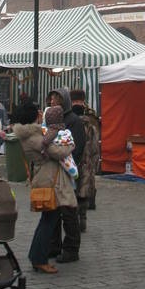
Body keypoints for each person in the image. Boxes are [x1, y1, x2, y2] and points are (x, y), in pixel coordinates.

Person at [13, 100, 77, 274]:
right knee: (49, 220)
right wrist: (70, 146)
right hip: (49, 179)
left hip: (46, 177)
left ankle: (37, 256)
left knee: (48, 219)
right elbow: (56, 152)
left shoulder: (30, 134)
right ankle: (39, 258)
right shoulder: (33, 137)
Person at [47, 86, 86, 263]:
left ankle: (71, 249)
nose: (52, 101)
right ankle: (54, 246)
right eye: (51, 98)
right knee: (54, 212)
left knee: (69, 212)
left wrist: (68, 166)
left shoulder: (74, 121)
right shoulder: (54, 119)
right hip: (54, 173)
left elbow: (76, 148)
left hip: (68, 173)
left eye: (56, 98)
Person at [69, 88, 100, 230]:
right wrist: (94, 165)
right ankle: (82, 217)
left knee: (73, 190)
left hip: (71, 161)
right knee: (83, 191)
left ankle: (75, 219)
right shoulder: (90, 120)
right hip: (86, 161)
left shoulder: (68, 119)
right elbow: (95, 147)